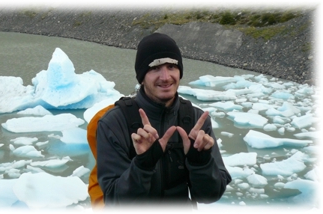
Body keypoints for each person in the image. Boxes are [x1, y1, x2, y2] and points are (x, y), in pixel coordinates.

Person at [95, 33, 232, 209]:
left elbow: (209, 195)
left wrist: (201, 162)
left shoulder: (196, 120)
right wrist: (143, 165)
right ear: (142, 76)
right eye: (155, 68)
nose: (166, 77)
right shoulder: (114, 123)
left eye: (172, 66)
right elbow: (114, 201)